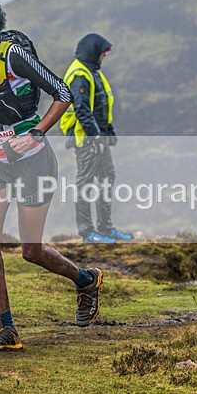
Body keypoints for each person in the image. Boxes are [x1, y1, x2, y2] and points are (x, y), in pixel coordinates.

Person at [0, 0, 103, 352]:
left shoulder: (13, 56)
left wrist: (36, 132)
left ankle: (85, 280)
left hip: (34, 160)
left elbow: (63, 92)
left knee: (30, 250)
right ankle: (7, 329)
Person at [60, 33, 133, 244]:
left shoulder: (92, 71)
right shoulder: (79, 75)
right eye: (102, 53)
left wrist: (108, 132)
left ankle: (105, 229)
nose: (104, 56)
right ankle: (87, 232)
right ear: (93, 52)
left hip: (98, 138)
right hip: (86, 139)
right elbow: (82, 110)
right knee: (86, 183)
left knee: (107, 178)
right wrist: (96, 136)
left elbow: (101, 105)